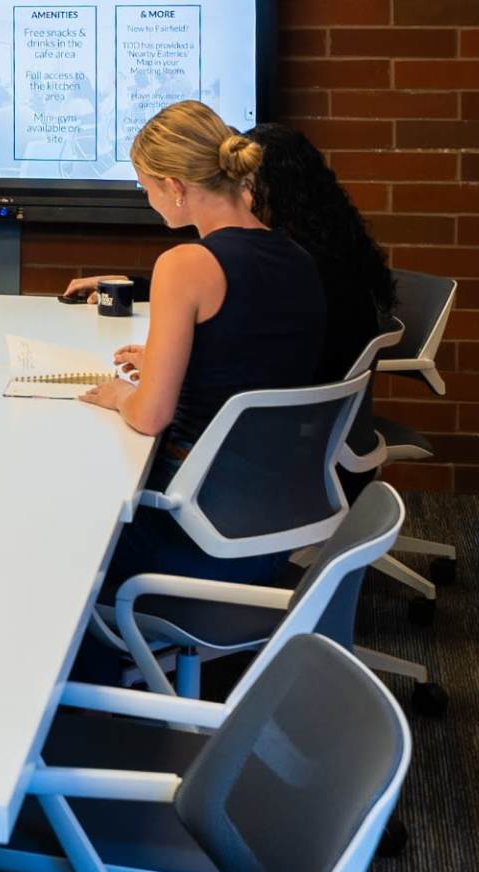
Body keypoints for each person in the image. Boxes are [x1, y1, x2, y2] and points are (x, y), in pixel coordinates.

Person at [68, 101, 324, 589]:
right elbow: (252, 359)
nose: (148, 201)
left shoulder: (186, 264)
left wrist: (123, 393)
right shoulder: (296, 255)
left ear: (175, 187)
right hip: (267, 519)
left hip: (190, 519)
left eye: (146, 188)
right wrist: (169, 363)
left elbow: (150, 415)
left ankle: (92, 659)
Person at [246, 124, 403, 388]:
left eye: (245, 185)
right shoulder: (335, 236)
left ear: (273, 187)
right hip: (326, 400)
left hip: (298, 402)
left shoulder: (293, 261)